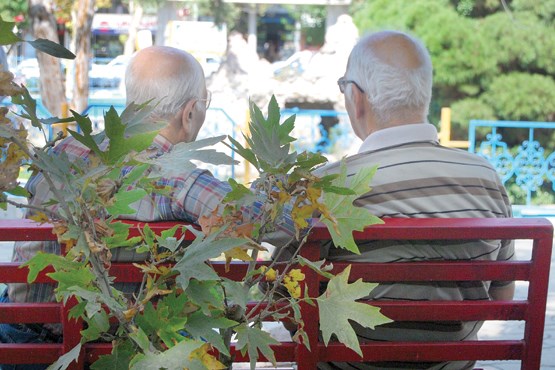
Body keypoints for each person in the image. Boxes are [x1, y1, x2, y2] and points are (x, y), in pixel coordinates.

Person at [0, 46, 293, 369]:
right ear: (191, 111)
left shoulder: (62, 151)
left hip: (21, 340)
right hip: (115, 351)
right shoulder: (175, 177)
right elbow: (280, 221)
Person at [312, 30, 514, 370]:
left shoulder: (326, 186)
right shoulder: (485, 178)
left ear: (355, 98)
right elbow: (501, 297)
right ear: (426, 93)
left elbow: (293, 307)